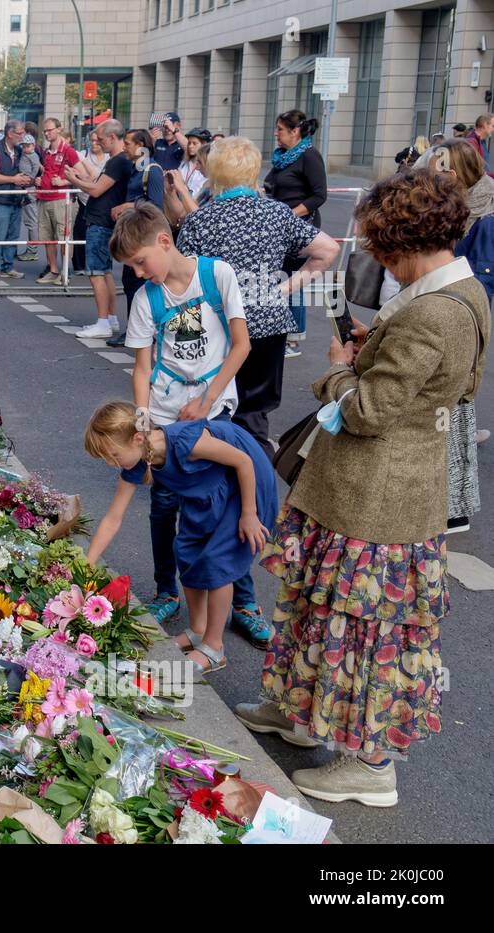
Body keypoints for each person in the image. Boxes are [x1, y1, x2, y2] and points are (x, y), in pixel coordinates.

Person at [235, 170, 489, 808]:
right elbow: (461, 390)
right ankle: (302, 714)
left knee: (365, 631)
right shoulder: (460, 292)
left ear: (405, 238)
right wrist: (372, 357)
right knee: (324, 613)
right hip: (368, 492)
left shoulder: (433, 309)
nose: (374, 256)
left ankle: (369, 767)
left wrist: (340, 374)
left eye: (379, 243)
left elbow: (370, 411)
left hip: (378, 499)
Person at [169, 136, 340, 642]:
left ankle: (221, 579)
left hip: (218, 339)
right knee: (253, 428)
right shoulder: (275, 214)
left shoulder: (201, 221)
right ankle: (244, 587)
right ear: (254, 173)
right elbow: (327, 250)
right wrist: (282, 289)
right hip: (265, 329)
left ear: (215, 174)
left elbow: (183, 287)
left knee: (213, 439)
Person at [110, 204, 256, 638]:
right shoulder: (146, 298)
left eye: (140, 262)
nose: (138, 272)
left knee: (219, 508)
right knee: (164, 505)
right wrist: (143, 421)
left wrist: (208, 399)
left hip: (214, 408)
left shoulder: (217, 276)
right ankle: (166, 589)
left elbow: (242, 345)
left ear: (164, 242)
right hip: (166, 415)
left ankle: (244, 602)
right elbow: (142, 367)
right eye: (132, 267)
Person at [84, 400, 278, 676]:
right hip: (208, 492)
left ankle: (214, 647)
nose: (110, 463)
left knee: (217, 562)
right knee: (186, 550)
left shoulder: (187, 442)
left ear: (138, 438)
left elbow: (243, 461)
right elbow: (113, 518)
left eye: (113, 455)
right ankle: (198, 631)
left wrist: (249, 513)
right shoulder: (141, 458)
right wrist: (86, 564)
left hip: (245, 484)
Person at [428, 139, 494, 531]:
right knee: (446, 410)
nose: (432, 172)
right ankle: (449, 503)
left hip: (459, 318)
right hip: (450, 312)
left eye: (440, 166)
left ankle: (454, 508)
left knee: (450, 409)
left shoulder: (483, 217)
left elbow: (480, 283)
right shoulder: (460, 207)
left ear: (457, 174)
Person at [264, 110, 327, 359]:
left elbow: (319, 195)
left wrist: (291, 215)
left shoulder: (309, 156)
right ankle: (280, 331)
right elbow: (271, 184)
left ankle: (293, 338)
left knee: (296, 279)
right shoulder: (282, 158)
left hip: (301, 227)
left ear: (295, 131)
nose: (276, 134)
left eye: (280, 129)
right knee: (281, 277)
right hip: (281, 227)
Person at [65, 119, 133, 338]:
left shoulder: (117, 161)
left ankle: (103, 321)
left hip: (101, 221)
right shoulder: (119, 160)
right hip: (105, 220)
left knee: (96, 273)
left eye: (101, 139)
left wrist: (74, 180)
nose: (99, 143)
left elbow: (95, 190)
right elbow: (99, 184)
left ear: (113, 138)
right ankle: (110, 318)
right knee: (104, 272)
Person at [106, 128, 166, 347]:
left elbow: (156, 205)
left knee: (143, 284)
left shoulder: (153, 170)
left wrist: (128, 205)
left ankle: (144, 331)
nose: (124, 147)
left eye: (128, 143)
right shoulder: (135, 170)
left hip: (145, 238)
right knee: (131, 283)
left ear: (141, 145)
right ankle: (136, 329)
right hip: (135, 235)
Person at [0, 119, 32, 282]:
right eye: (20, 133)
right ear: (10, 134)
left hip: (16, 199)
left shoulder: (19, 151)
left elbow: (24, 170)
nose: (22, 136)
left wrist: (30, 179)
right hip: (0, 199)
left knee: (13, 235)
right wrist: (13, 179)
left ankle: (8, 266)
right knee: (0, 233)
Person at [36, 119, 81, 283]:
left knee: (64, 237)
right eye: (45, 131)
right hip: (44, 197)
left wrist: (64, 182)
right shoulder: (47, 151)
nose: (47, 133)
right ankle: (53, 270)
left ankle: (65, 271)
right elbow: (47, 172)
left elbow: (82, 173)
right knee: (47, 237)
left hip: (61, 200)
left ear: (59, 130)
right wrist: (39, 180)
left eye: (49, 130)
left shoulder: (68, 150)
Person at [69, 129, 107, 277]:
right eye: (92, 140)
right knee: (80, 231)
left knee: (100, 233)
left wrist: (87, 179)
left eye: (97, 140)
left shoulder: (109, 157)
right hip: (83, 200)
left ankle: (98, 264)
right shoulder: (82, 155)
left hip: (102, 201)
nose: (94, 143)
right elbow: (75, 174)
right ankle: (79, 265)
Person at [18, 134, 43, 262]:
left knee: (31, 220)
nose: (25, 148)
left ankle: (33, 250)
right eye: (23, 146)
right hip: (26, 187)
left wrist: (30, 180)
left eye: (27, 146)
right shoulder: (25, 155)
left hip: (29, 189)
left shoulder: (33, 156)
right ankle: (31, 249)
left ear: (33, 146)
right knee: (30, 220)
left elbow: (36, 168)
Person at [180, 127, 211, 198]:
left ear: (204, 145)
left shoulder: (207, 168)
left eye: (194, 143)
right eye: (189, 143)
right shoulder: (184, 164)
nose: (190, 146)